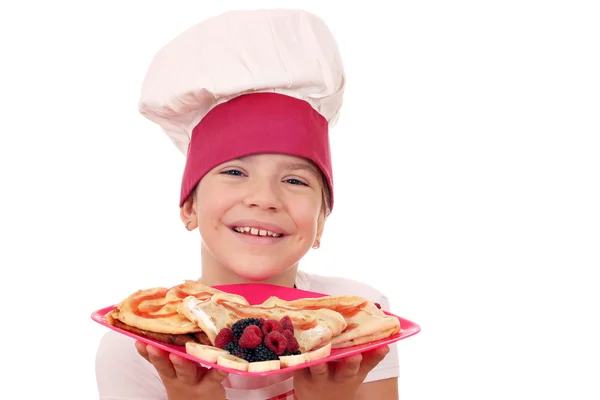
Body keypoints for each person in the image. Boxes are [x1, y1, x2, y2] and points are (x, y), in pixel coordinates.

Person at [95, 9, 400, 400]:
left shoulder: (359, 318)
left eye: (294, 180)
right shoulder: (138, 347)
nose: (265, 198)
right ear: (189, 206)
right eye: (235, 172)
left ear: (321, 222)